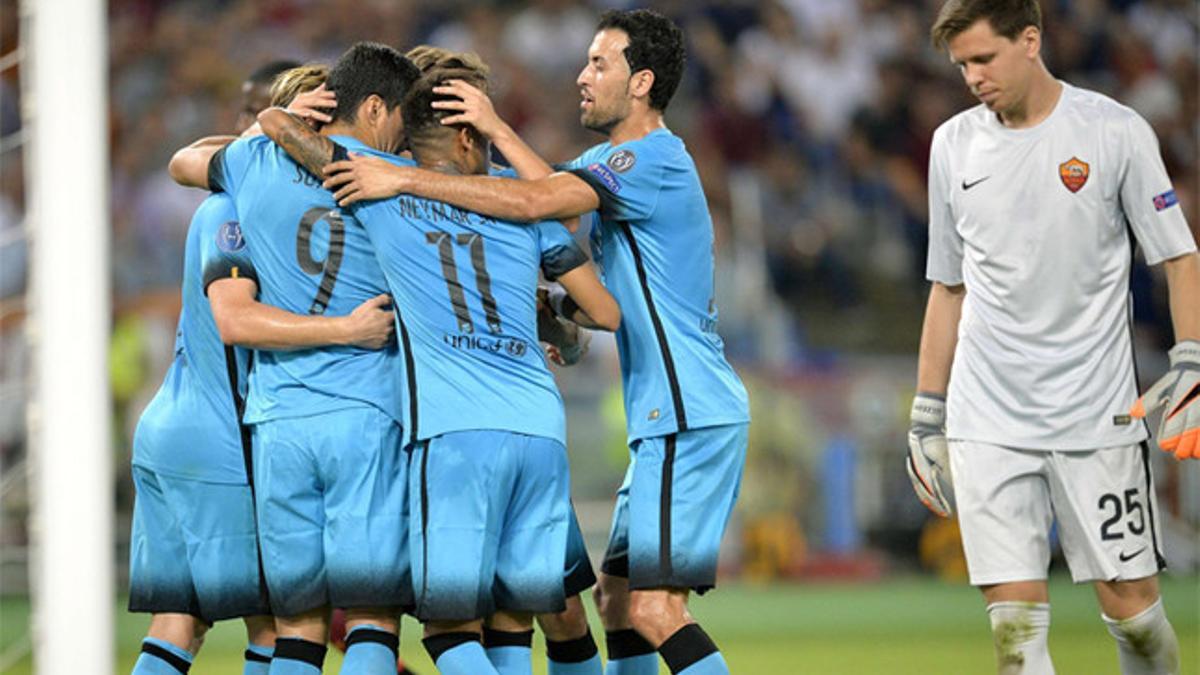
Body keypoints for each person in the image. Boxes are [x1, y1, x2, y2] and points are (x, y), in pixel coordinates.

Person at [315, 10, 751, 675]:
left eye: (600, 64)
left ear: (642, 82)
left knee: (653, 610)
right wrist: (546, 312)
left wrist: (405, 173)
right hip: (637, 413)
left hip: (685, 405)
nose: (581, 76)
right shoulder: (610, 164)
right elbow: (551, 208)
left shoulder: (649, 156)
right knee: (612, 598)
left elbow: (535, 202)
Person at [261, 59, 619, 675]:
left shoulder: (383, 187)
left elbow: (293, 142)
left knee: (449, 631)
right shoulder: (519, 202)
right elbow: (603, 312)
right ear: (468, 135)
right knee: (519, 618)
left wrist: (278, 113)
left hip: (456, 435)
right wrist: (549, 317)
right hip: (538, 428)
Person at [905, 1, 1198, 673]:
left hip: (1095, 414)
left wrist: (1191, 360)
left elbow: (1180, 258)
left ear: (1030, 40)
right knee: (1015, 637)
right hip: (988, 418)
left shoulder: (1113, 131)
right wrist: (927, 411)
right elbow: (946, 286)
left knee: (1139, 621)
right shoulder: (953, 145)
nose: (972, 77)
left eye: (984, 59)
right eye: (961, 65)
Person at [128, 63, 394, 675]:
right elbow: (235, 319)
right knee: (281, 626)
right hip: (220, 441)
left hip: (171, 430)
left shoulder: (237, 198)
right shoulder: (236, 209)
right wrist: (348, 330)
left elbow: (186, 159)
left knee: (179, 625)